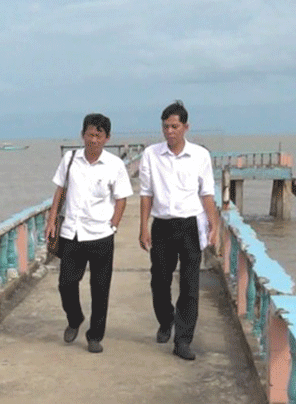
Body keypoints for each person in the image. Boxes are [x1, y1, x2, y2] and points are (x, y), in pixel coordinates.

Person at [138, 100, 219, 361]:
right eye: (165, 127)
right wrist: (143, 227)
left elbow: (206, 193)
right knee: (159, 280)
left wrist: (214, 225)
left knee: (190, 285)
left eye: (174, 126)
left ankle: (183, 340)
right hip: (162, 224)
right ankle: (165, 319)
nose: (169, 131)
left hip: (190, 225)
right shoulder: (151, 154)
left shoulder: (200, 156)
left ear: (186, 127)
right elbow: (146, 193)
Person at [44, 113, 132, 353]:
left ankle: (95, 336)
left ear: (107, 138)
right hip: (72, 233)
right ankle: (75, 318)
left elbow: (121, 198)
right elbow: (59, 191)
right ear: (82, 135)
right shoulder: (70, 159)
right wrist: (52, 220)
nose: (94, 139)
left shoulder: (115, 165)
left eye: (99, 135)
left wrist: (113, 225)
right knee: (66, 284)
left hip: (101, 235)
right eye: (90, 134)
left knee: (100, 288)